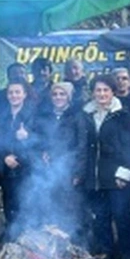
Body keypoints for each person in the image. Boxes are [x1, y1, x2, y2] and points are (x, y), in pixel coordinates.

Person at [84, 75, 130, 259]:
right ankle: (105, 253)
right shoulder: (87, 114)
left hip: (117, 175)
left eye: (105, 90)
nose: (101, 94)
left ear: (113, 92)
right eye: (98, 90)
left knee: (122, 215)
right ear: (92, 93)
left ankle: (127, 257)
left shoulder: (122, 114)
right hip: (96, 175)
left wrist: (125, 173)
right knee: (101, 216)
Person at [35, 81, 89, 242]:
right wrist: (42, 151)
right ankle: (55, 248)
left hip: (70, 170)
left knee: (72, 210)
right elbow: (39, 140)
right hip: (49, 171)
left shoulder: (78, 116)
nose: (58, 97)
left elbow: (82, 145)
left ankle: (76, 247)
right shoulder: (45, 116)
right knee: (51, 208)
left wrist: (78, 171)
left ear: (69, 97)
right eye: (55, 94)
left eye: (62, 94)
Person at [0, 81, 39, 241]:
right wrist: (5, 157)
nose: (14, 95)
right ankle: (12, 238)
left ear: (25, 94)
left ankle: (26, 240)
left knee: (26, 204)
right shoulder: (1, 116)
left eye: (18, 92)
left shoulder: (34, 114)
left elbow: (43, 140)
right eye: (11, 92)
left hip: (27, 167)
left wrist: (28, 137)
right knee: (9, 204)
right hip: (6, 168)